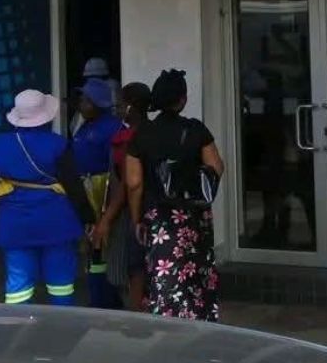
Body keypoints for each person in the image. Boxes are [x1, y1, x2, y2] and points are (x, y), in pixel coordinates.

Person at [0, 89, 93, 306]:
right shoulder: (58, 144)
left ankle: (17, 325)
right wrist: (88, 218)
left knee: (18, 288)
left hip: (14, 223)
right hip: (57, 221)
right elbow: (74, 187)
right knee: (61, 284)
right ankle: (62, 322)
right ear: (46, 116)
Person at [126, 69, 224, 321]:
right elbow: (216, 166)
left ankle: (167, 322)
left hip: (159, 217)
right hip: (195, 216)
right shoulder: (196, 129)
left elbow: (134, 183)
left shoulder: (141, 134)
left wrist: (137, 219)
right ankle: (199, 318)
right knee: (198, 273)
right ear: (183, 100)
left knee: (164, 274)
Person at [93, 81, 151, 310]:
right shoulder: (154, 131)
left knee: (133, 267)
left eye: (120, 104)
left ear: (131, 106)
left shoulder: (128, 139)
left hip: (132, 211)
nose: (116, 108)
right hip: (155, 208)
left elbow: (127, 185)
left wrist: (106, 220)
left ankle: (136, 314)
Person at [72, 77, 124, 309]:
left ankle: (104, 301)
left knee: (101, 247)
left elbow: (115, 168)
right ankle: (101, 297)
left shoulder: (112, 128)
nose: (81, 104)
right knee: (92, 248)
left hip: (102, 195)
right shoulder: (84, 126)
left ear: (98, 103)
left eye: (86, 100)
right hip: (86, 193)